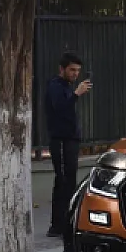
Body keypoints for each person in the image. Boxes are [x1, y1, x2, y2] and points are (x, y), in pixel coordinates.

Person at [44, 53, 90, 237]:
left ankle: (66, 222)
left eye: (78, 70)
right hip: (61, 140)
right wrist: (76, 94)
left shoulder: (66, 87)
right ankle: (58, 225)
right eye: (72, 70)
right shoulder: (56, 86)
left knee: (69, 180)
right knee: (63, 181)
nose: (75, 74)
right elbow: (60, 107)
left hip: (70, 139)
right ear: (62, 69)